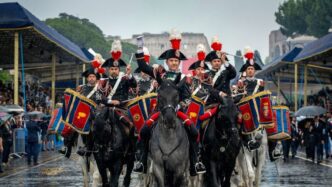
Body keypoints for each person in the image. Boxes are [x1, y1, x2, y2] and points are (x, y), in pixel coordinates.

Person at [133, 29, 205, 176]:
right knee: (144, 130)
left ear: (179, 63)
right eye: (171, 61)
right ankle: (141, 162)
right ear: (167, 62)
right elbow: (142, 66)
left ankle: (195, 163)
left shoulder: (184, 77)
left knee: (194, 132)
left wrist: (179, 106)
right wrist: (140, 47)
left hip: (178, 111)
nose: (173, 63)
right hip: (160, 111)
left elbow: (187, 97)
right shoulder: (160, 74)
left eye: (176, 61)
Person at [237, 46, 281, 161]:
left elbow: (263, 97)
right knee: (236, 123)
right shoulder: (241, 82)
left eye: (252, 69)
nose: (250, 70)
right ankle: (242, 144)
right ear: (245, 71)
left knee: (272, 120)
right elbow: (239, 97)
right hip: (247, 111)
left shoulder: (260, 82)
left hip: (258, 110)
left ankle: (273, 150)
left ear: (255, 70)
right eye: (248, 69)